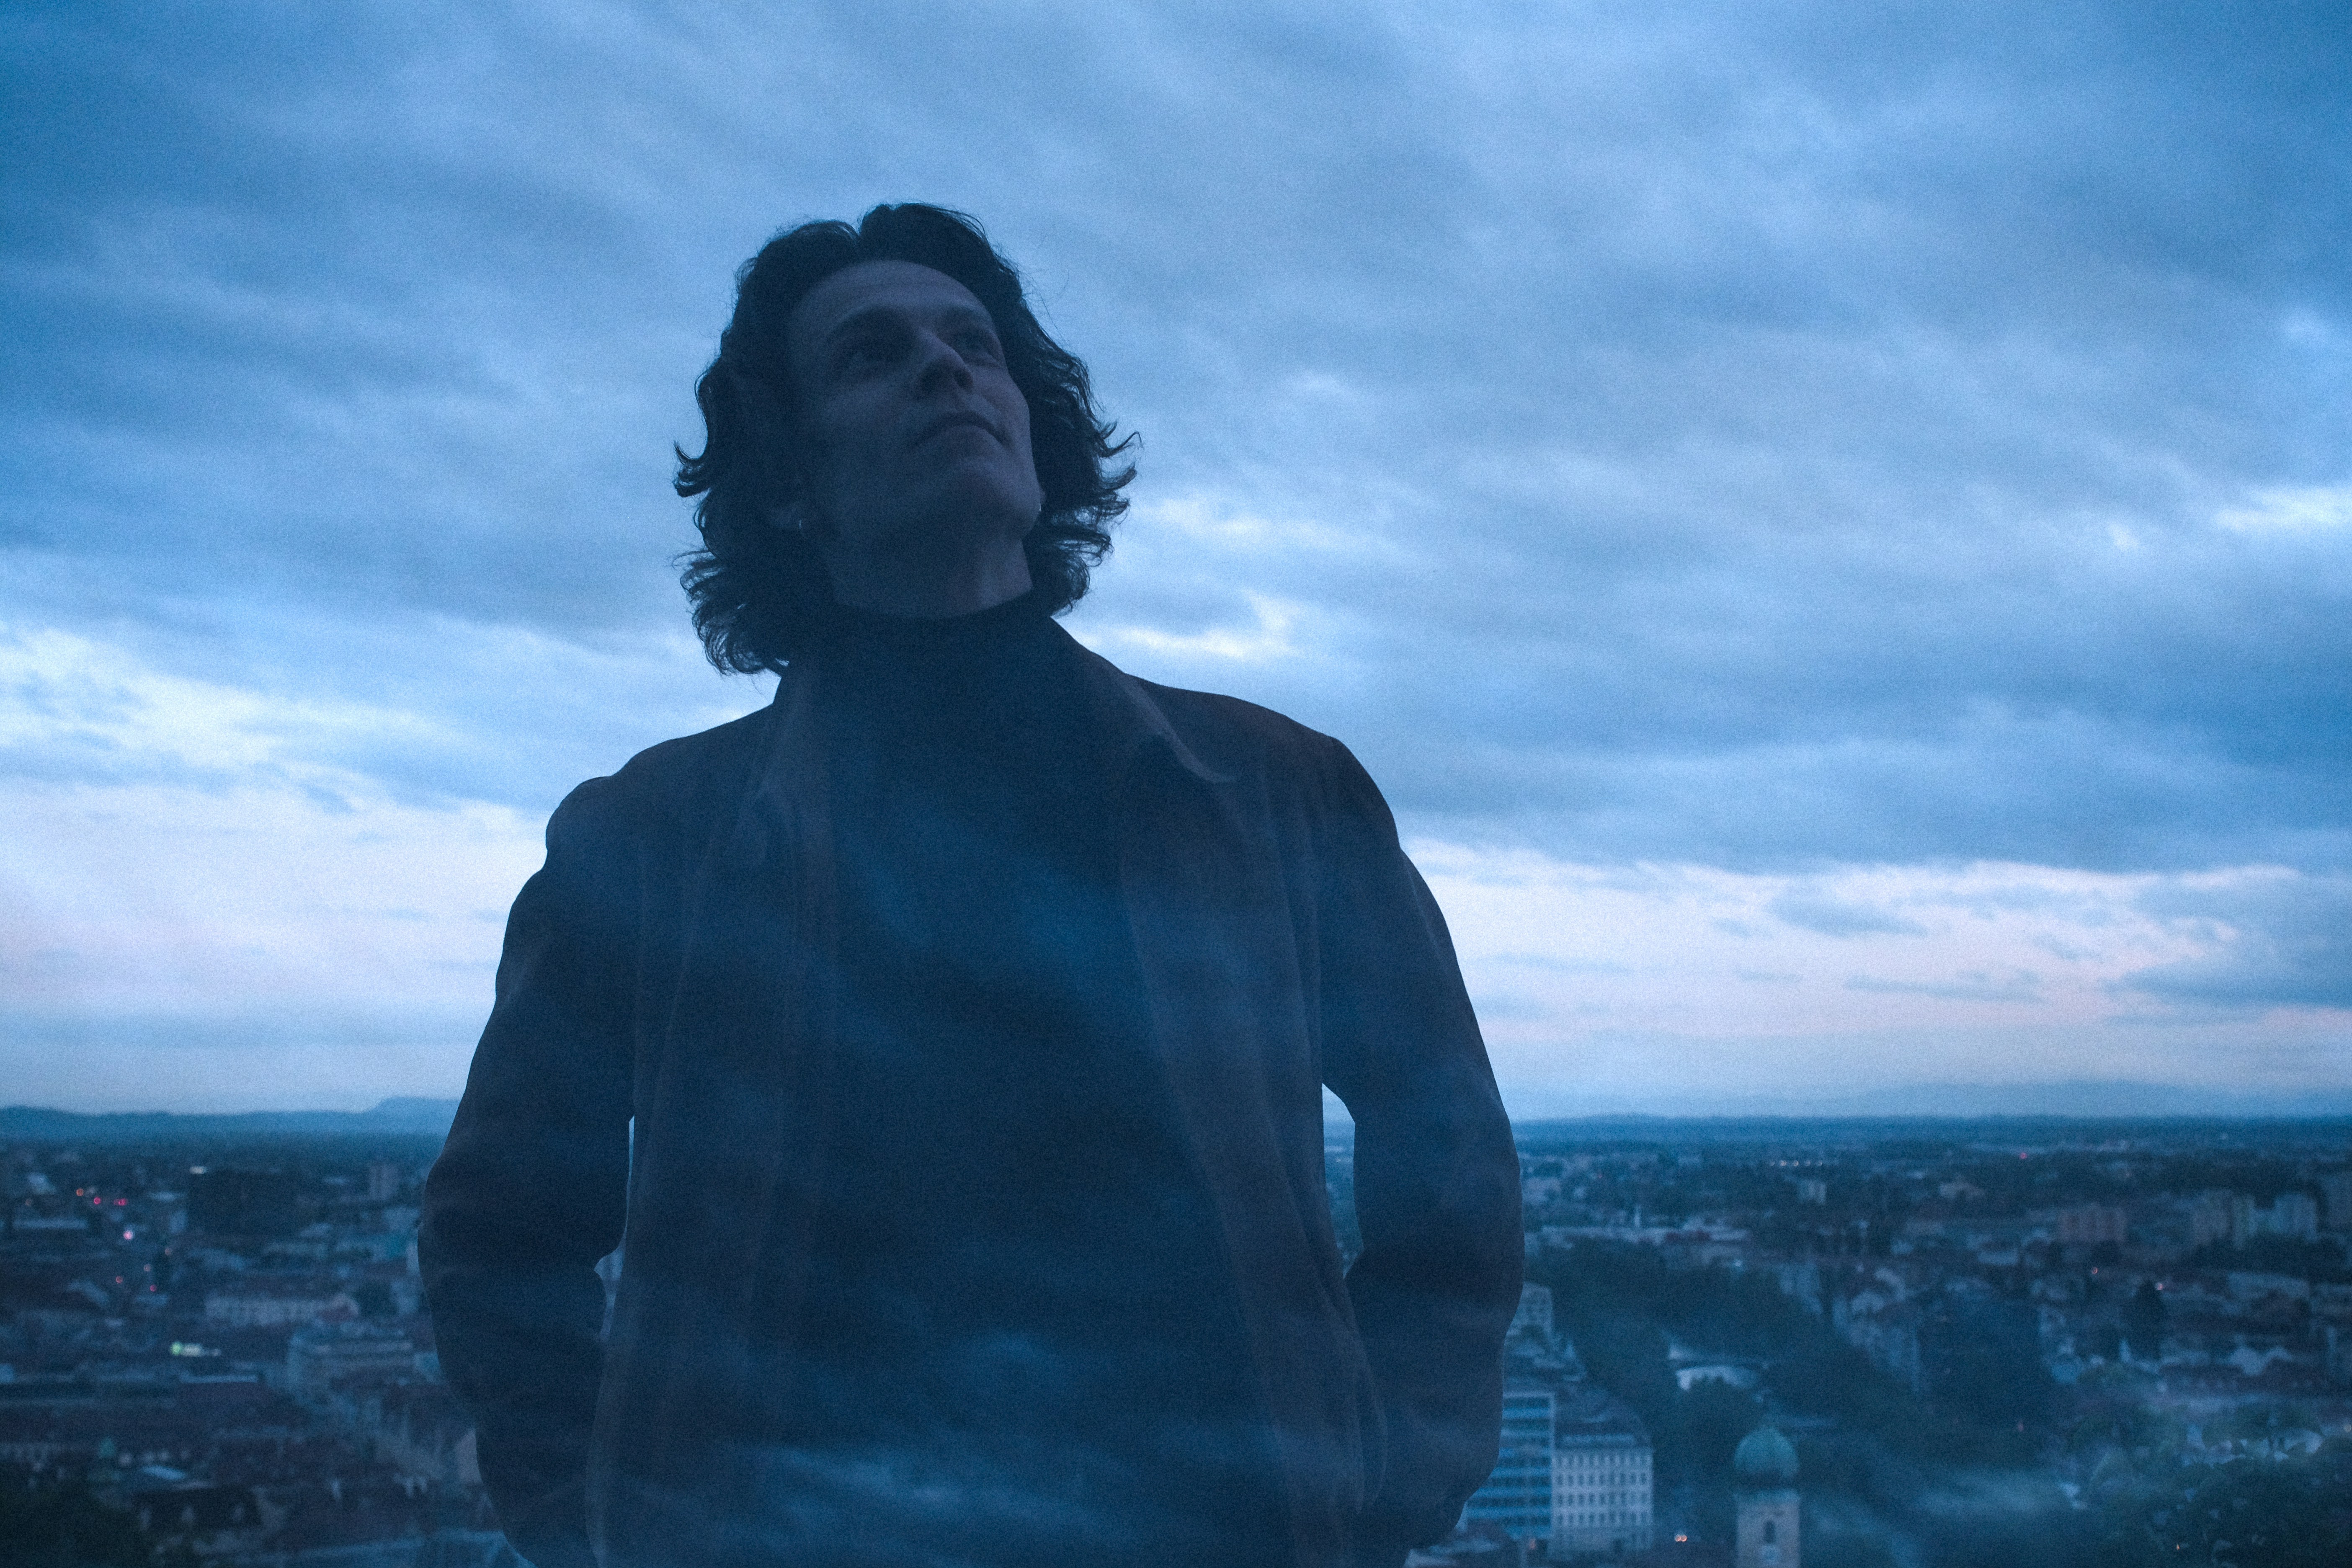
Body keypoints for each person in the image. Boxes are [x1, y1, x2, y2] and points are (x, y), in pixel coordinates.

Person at [419, 203, 1520, 1568]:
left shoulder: (1280, 795)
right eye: (872, 357)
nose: (947, 371)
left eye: (974, 344)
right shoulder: (643, 842)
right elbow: (500, 1235)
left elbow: (1453, 1174)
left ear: (1035, 430)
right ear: (787, 479)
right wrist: (596, 1527)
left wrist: (1386, 1477)